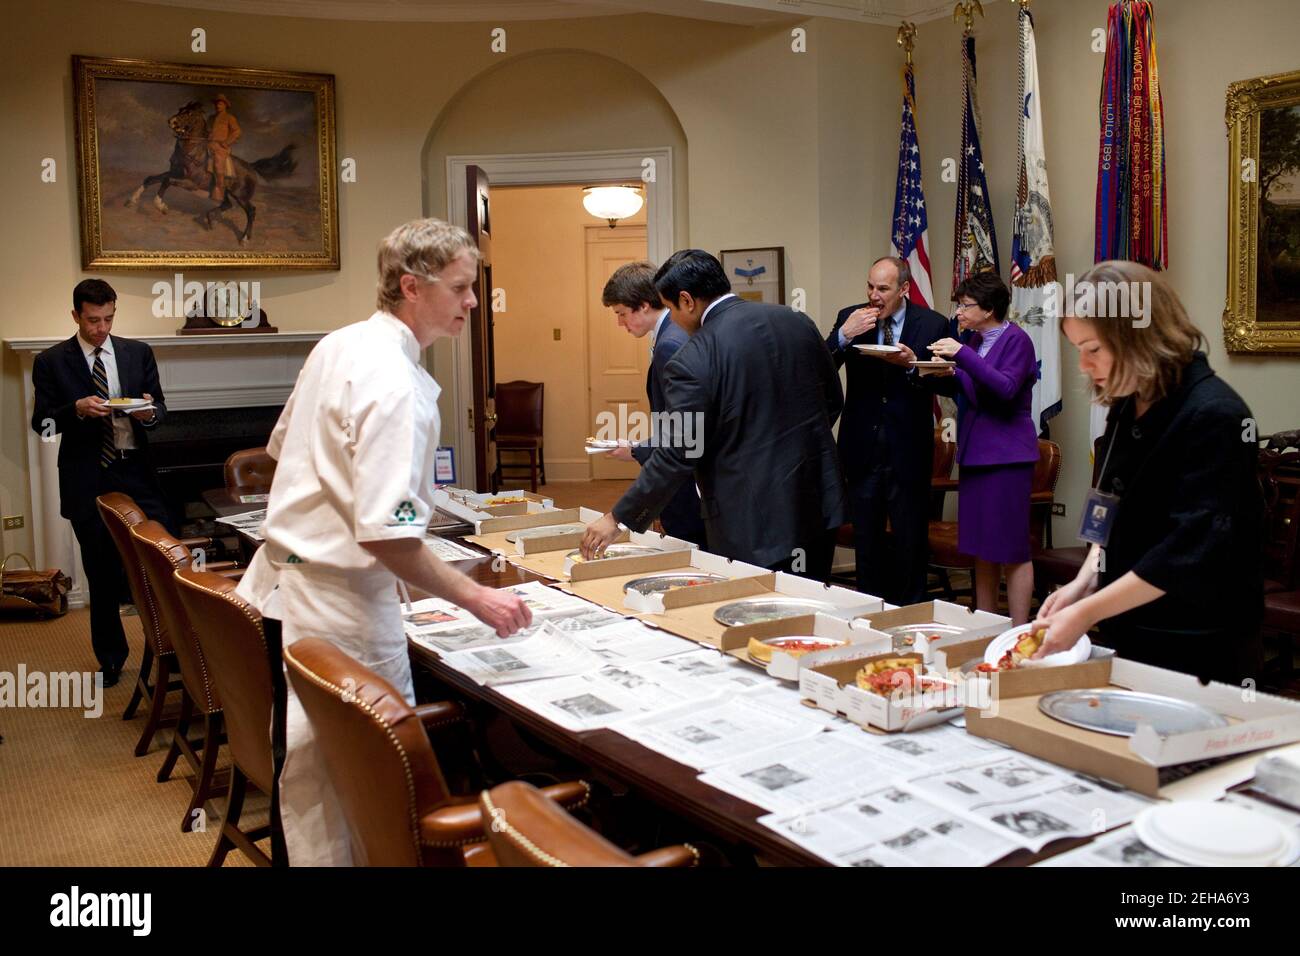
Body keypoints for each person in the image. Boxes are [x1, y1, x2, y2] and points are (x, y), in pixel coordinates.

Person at [235, 218, 532, 866]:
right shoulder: (395, 385)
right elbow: (390, 535)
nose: (474, 303)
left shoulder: (339, 345)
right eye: (461, 288)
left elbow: (285, 449)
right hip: (341, 606)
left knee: (314, 774)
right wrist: (477, 599)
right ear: (411, 287)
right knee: (367, 781)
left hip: (291, 589)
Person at [1035, 260, 1264, 685]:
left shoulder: (1215, 415)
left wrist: (1088, 610)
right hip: (1135, 630)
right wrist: (1084, 581)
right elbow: (1109, 508)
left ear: (1139, 335)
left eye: (1093, 349)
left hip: (1198, 644)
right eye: (1077, 349)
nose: (1084, 366)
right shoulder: (1128, 403)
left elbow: (1189, 550)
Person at [581, 250, 847, 580]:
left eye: (672, 308)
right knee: (812, 608)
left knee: (754, 613)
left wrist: (618, 517)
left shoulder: (694, 356)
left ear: (687, 300)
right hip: (816, 501)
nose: (674, 320)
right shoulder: (796, 321)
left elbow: (680, 451)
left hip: (751, 518)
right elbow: (832, 399)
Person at [31, 279, 168, 687]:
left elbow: (160, 408)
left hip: (135, 470)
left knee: (164, 557)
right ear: (76, 316)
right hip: (87, 475)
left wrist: (147, 413)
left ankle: (171, 649)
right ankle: (110, 658)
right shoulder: (51, 361)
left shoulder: (137, 352)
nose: (101, 328)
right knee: (102, 570)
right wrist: (74, 409)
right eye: (92, 320)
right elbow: (42, 424)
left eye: (108, 318)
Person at [827, 256, 956, 604]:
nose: (873, 295)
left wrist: (911, 366)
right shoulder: (851, 318)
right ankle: (869, 614)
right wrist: (843, 336)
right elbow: (820, 366)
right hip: (861, 447)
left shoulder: (931, 324)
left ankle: (910, 616)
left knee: (909, 540)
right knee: (866, 540)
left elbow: (950, 386)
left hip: (909, 449)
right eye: (869, 286)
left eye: (882, 288)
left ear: (903, 289)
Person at [929, 272, 1038, 624]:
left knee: (1012, 549)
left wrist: (961, 356)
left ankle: (1019, 630)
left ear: (989, 308)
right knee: (982, 549)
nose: (958, 312)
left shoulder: (1017, 340)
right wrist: (946, 372)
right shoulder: (976, 341)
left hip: (1007, 459)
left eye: (965, 305)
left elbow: (1005, 390)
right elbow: (975, 394)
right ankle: (987, 625)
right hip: (976, 454)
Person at [600, 261, 707, 547]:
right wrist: (637, 449)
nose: (620, 322)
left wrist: (639, 450)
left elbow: (686, 432)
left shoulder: (670, 343)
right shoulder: (673, 334)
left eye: (621, 313)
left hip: (686, 485)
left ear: (644, 305)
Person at [207, 93, 241, 203]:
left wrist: (227, 142)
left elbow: (237, 131)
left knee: (217, 164)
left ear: (225, 105)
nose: (218, 106)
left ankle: (219, 191)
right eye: (217, 104)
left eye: (220, 104)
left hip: (221, 147)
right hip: (209, 144)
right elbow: (207, 130)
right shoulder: (211, 118)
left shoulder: (229, 118)